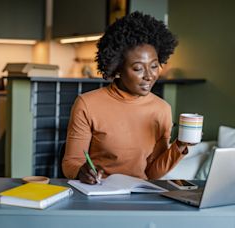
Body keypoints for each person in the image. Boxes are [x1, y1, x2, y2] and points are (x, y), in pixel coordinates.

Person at [62, 11, 191, 184]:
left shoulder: (162, 109)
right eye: (138, 68)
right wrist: (81, 171)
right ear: (117, 69)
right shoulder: (87, 104)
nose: (149, 76)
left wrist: (180, 146)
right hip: (100, 192)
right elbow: (71, 162)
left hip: (139, 194)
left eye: (154, 66)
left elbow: (152, 173)